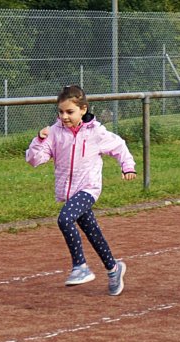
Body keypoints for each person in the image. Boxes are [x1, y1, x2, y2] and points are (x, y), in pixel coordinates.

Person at [25, 85, 135, 296]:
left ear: (83, 110)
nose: (64, 116)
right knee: (93, 232)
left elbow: (119, 146)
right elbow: (34, 160)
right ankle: (114, 269)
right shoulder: (55, 133)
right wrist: (38, 140)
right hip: (68, 193)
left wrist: (127, 166)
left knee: (65, 219)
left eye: (70, 112)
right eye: (61, 112)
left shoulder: (96, 132)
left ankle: (80, 266)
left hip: (88, 189)